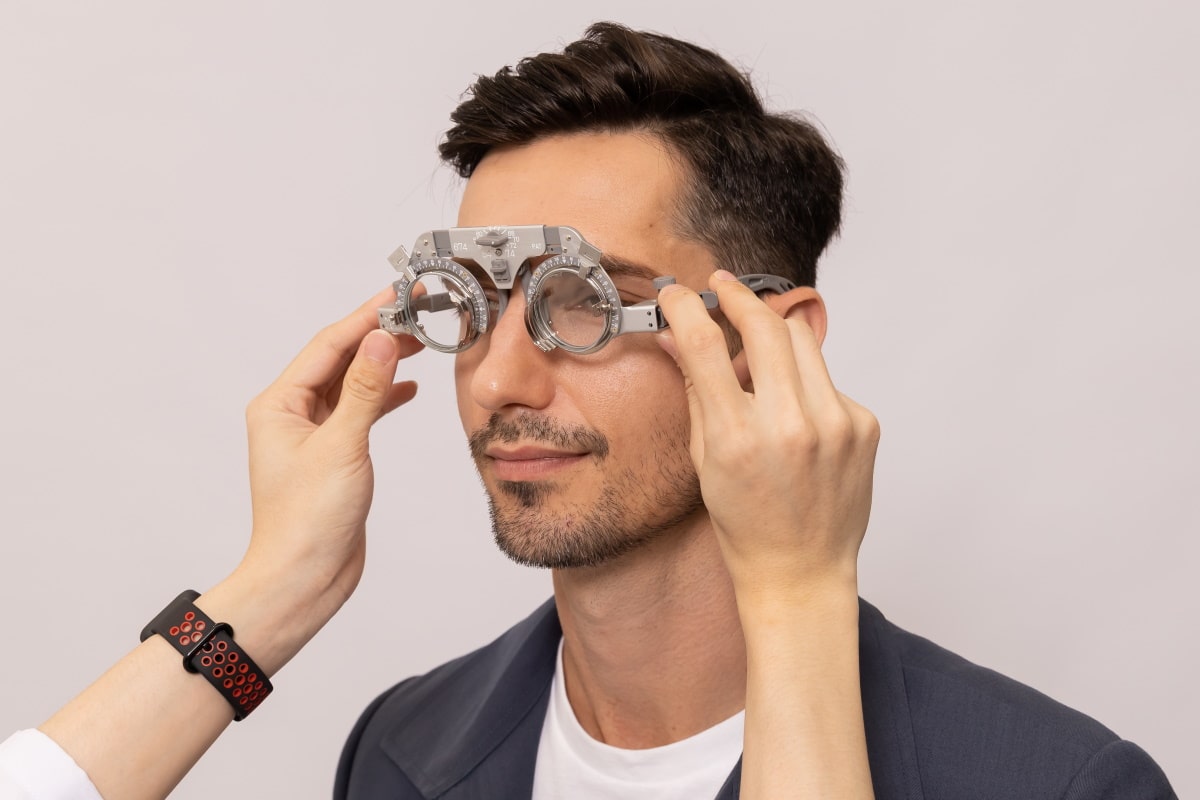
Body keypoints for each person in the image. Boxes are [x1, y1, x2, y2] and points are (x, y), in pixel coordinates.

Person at [0, 22, 1176, 800]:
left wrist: (799, 591)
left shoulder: (1057, 782)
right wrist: (270, 586)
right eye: (471, 306)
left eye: (582, 302)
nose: (501, 381)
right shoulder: (404, 746)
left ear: (772, 342)